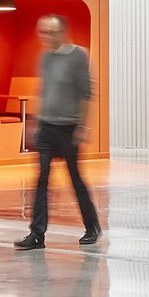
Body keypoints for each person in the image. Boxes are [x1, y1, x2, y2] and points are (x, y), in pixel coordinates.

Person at [13, 13, 102, 251]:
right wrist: (35, 122)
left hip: (69, 128)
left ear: (62, 32)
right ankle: (37, 234)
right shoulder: (45, 57)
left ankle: (92, 227)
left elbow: (86, 93)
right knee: (41, 179)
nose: (45, 37)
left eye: (50, 33)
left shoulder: (78, 56)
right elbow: (44, 90)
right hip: (46, 127)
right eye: (42, 32)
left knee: (75, 179)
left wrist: (82, 126)